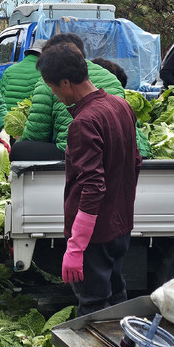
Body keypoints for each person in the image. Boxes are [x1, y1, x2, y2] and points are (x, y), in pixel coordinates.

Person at [36, 44, 141, 316]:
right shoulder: (120, 105)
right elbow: (135, 162)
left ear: (65, 82)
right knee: (117, 297)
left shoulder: (84, 122)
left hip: (95, 237)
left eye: (53, 87)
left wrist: (76, 245)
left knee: (93, 307)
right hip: (120, 227)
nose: (54, 94)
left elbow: (92, 187)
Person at [13, 34, 124, 161]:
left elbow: (36, 133)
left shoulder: (82, 121)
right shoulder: (111, 80)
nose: (54, 93)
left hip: (77, 154)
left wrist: (18, 140)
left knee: (19, 149)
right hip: (120, 153)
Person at [0, 37, 45, 110]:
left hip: (7, 118)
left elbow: (0, 98)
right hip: (28, 119)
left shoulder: (9, 70)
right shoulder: (44, 74)